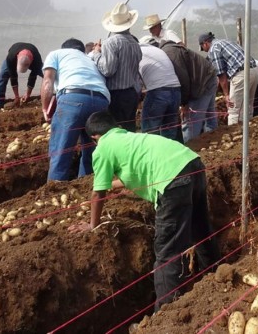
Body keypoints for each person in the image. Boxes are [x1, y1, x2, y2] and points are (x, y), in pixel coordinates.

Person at [70, 111, 220, 311]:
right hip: (192, 163)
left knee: (167, 251)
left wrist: (92, 225)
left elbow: (98, 194)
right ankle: (215, 276)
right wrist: (113, 185)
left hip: (172, 180)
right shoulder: (129, 138)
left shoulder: (103, 148)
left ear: (94, 137)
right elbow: (128, 174)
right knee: (200, 228)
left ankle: (166, 312)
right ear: (115, 127)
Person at [40, 38, 110, 181]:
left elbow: (48, 81)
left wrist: (45, 108)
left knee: (61, 149)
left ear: (64, 47)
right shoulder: (90, 59)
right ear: (81, 50)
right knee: (92, 150)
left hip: (73, 98)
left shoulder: (56, 54)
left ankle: (55, 190)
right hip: (101, 101)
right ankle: (86, 186)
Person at [91, 2, 142, 132]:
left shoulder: (111, 42)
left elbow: (108, 70)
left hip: (117, 95)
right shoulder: (135, 43)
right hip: (132, 93)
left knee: (117, 129)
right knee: (129, 128)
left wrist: (97, 54)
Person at [159, 39, 219, 142]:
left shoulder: (169, 53)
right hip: (209, 76)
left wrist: (184, 103)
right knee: (209, 115)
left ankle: (191, 147)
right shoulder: (173, 50)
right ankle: (212, 143)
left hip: (201, 82)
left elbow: (183, 79)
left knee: (191, 120)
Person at [199, 32, 258, 125]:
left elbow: (221, 74)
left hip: (241, 74)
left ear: (205, 43)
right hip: (254, 71)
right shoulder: (225, 41)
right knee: (247, 106)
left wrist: (226, 95)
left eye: (203, 48)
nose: (205, 51)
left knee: (233, 109)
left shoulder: (213, 49)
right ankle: (248, 133)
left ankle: (233, 135)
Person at [138, 37, 182, 141]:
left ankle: (151, 155)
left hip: (158, 92)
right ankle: (169, 154)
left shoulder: (137, 51)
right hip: (176, 90)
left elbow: (135, 79)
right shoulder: (158, 50)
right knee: (169, 130)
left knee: (150, 131)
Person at [0, 42, 43, 109]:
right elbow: (13, 76)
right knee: (3, 75)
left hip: (33, 58)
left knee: (46, 74)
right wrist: (16, 96)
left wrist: (28, 94)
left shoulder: (37, 60)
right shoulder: (11, 57)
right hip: (13, 56)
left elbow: (33, 77)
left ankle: (49, 97)